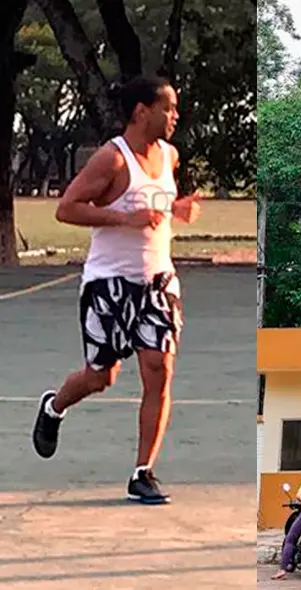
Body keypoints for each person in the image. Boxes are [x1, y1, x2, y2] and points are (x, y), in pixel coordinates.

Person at [30, 75, 202, 505]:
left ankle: (142, 473)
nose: (175, 116)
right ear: (142, 111)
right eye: (169, 108)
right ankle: (54, 406)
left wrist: (174, 208)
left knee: (158, 369)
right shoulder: (112, 159)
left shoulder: (170, 156)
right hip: (107, 283)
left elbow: (152, 205)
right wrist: (122, 219)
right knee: (101, 376)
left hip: (158, 281)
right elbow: (67, 208)